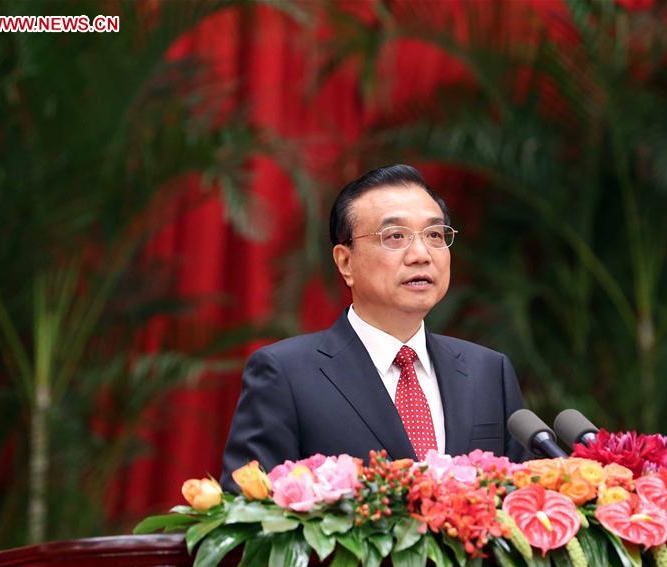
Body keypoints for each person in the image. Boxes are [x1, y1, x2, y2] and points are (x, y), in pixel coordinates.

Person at [220, 164, 528, 492]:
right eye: (395, 236)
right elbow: (247, 515)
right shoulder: (285, 374)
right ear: (345, 262)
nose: (421, 254)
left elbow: (521, 501)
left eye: (435, 235)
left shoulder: (489, 372)